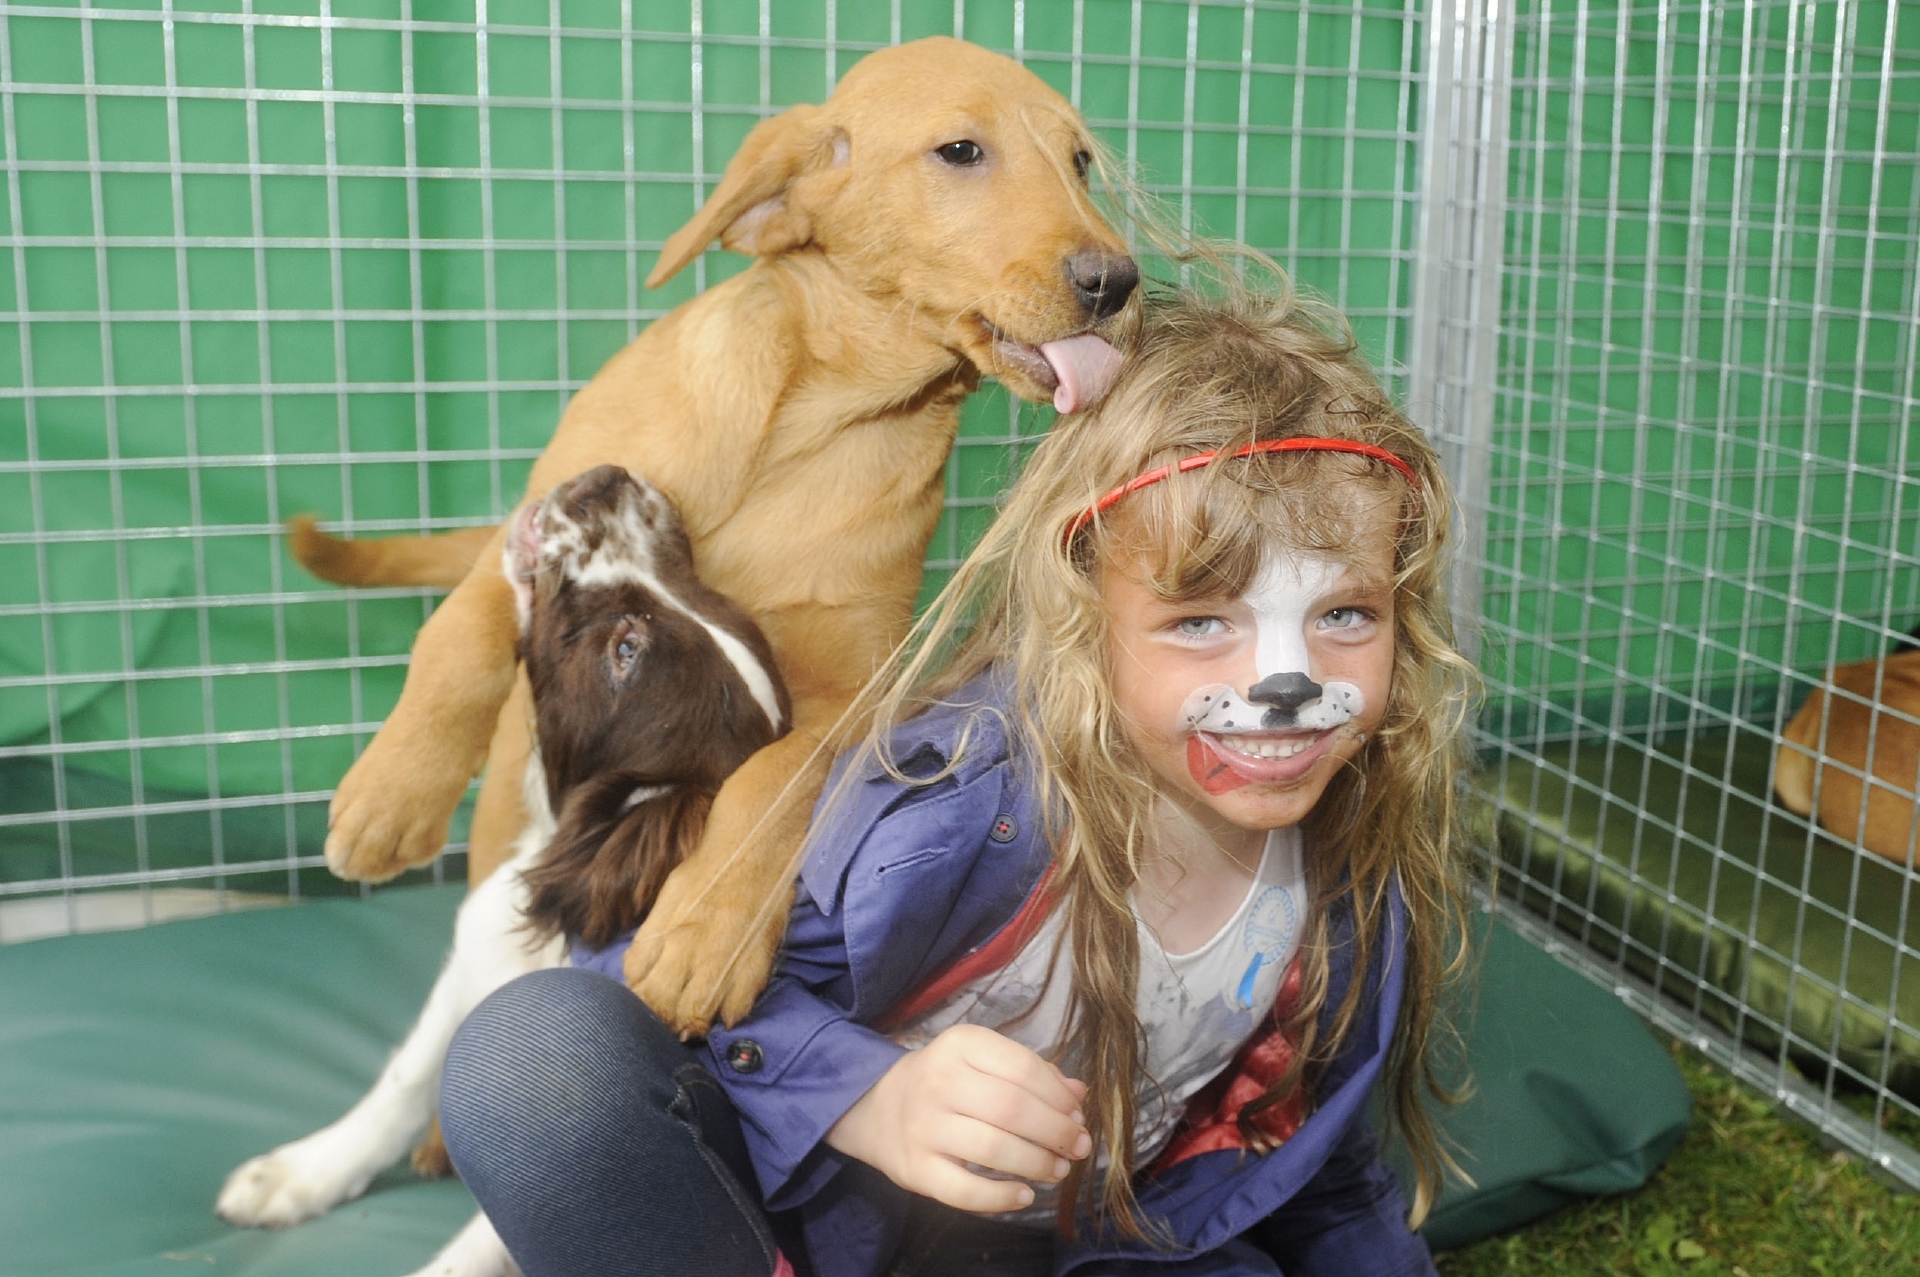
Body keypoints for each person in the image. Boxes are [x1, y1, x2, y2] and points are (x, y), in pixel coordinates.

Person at [438, 276, 1478, 1277]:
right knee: (531, 1062)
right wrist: (869, 1096)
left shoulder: (1348, 863)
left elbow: (1318, 1154)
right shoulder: (952, 799)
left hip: (1111, 1243)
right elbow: (621, 955)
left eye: (1346, 614)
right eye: (1201, 620)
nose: (1285, 687)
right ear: (1083, 618)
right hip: (828, 1230)